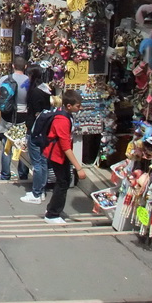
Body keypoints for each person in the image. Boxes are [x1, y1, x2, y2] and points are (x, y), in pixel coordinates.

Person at [43, 89, 87, 224]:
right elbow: (65, 146)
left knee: (64, 181)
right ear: (69, 106)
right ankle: (52, 214)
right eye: (78, 106)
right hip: (57, 155)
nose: (80, 108)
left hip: (59, 154)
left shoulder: (65, 116)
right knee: (63, 182)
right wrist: (79, 168)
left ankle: (52, 208)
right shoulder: (62, 120)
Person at [20, 64, 53, 204]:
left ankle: (36, 193)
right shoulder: (45, 90)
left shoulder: (34, 92)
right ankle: (41, 190)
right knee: (43, 161)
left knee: (37, 163)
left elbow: (36, 112)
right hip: (44, 130)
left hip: (35, 129)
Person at [0, 56, 30, 181]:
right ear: (25, 67)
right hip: (24, 114)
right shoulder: (29, 81)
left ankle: (5, 174)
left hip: (8, 114)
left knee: (7, 145)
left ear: (12, 66)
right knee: (22, 144)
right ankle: (23, 173)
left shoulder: (5, 79)